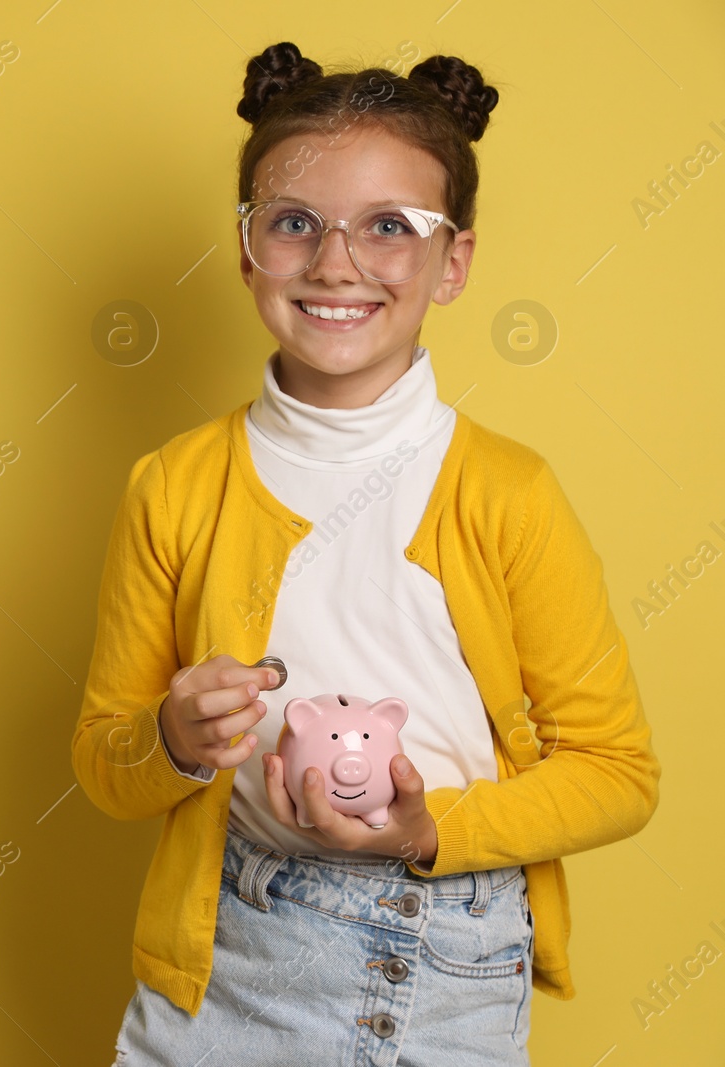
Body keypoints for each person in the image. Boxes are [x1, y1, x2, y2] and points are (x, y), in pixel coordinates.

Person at [72, 41, 661, 1066]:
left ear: (454, 262)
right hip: (227, 955)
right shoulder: (171, 484)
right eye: (294, 222)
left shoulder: (506, 494)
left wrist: (421, 827)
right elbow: (103, 764)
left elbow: (618, 773)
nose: (335, 262)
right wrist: (167, 733)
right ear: (248, 247)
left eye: (390, 226)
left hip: (442, 961)